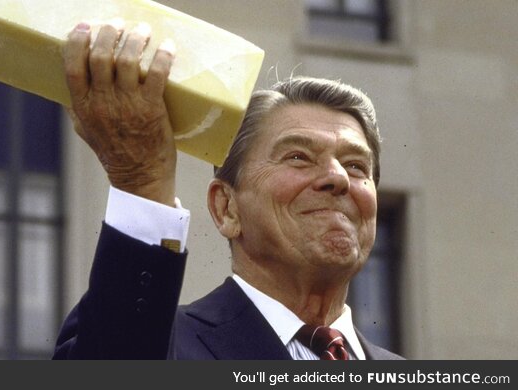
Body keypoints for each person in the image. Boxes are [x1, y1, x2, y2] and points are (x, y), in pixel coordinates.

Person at [53, 20, 404, 360]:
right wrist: (141, 181)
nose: (337, 176)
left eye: (356, 166)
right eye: (298, 157)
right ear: (227, 208)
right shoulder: (166, 349)